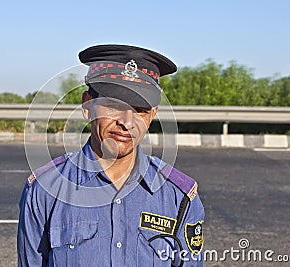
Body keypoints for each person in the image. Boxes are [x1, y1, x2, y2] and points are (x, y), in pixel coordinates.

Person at [17, 44, 205, 266]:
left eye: (140, 110)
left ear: (152, 115)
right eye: (114, 105)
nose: (126, 122)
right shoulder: (44, 190)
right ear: (87, 105)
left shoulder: (178, 196)